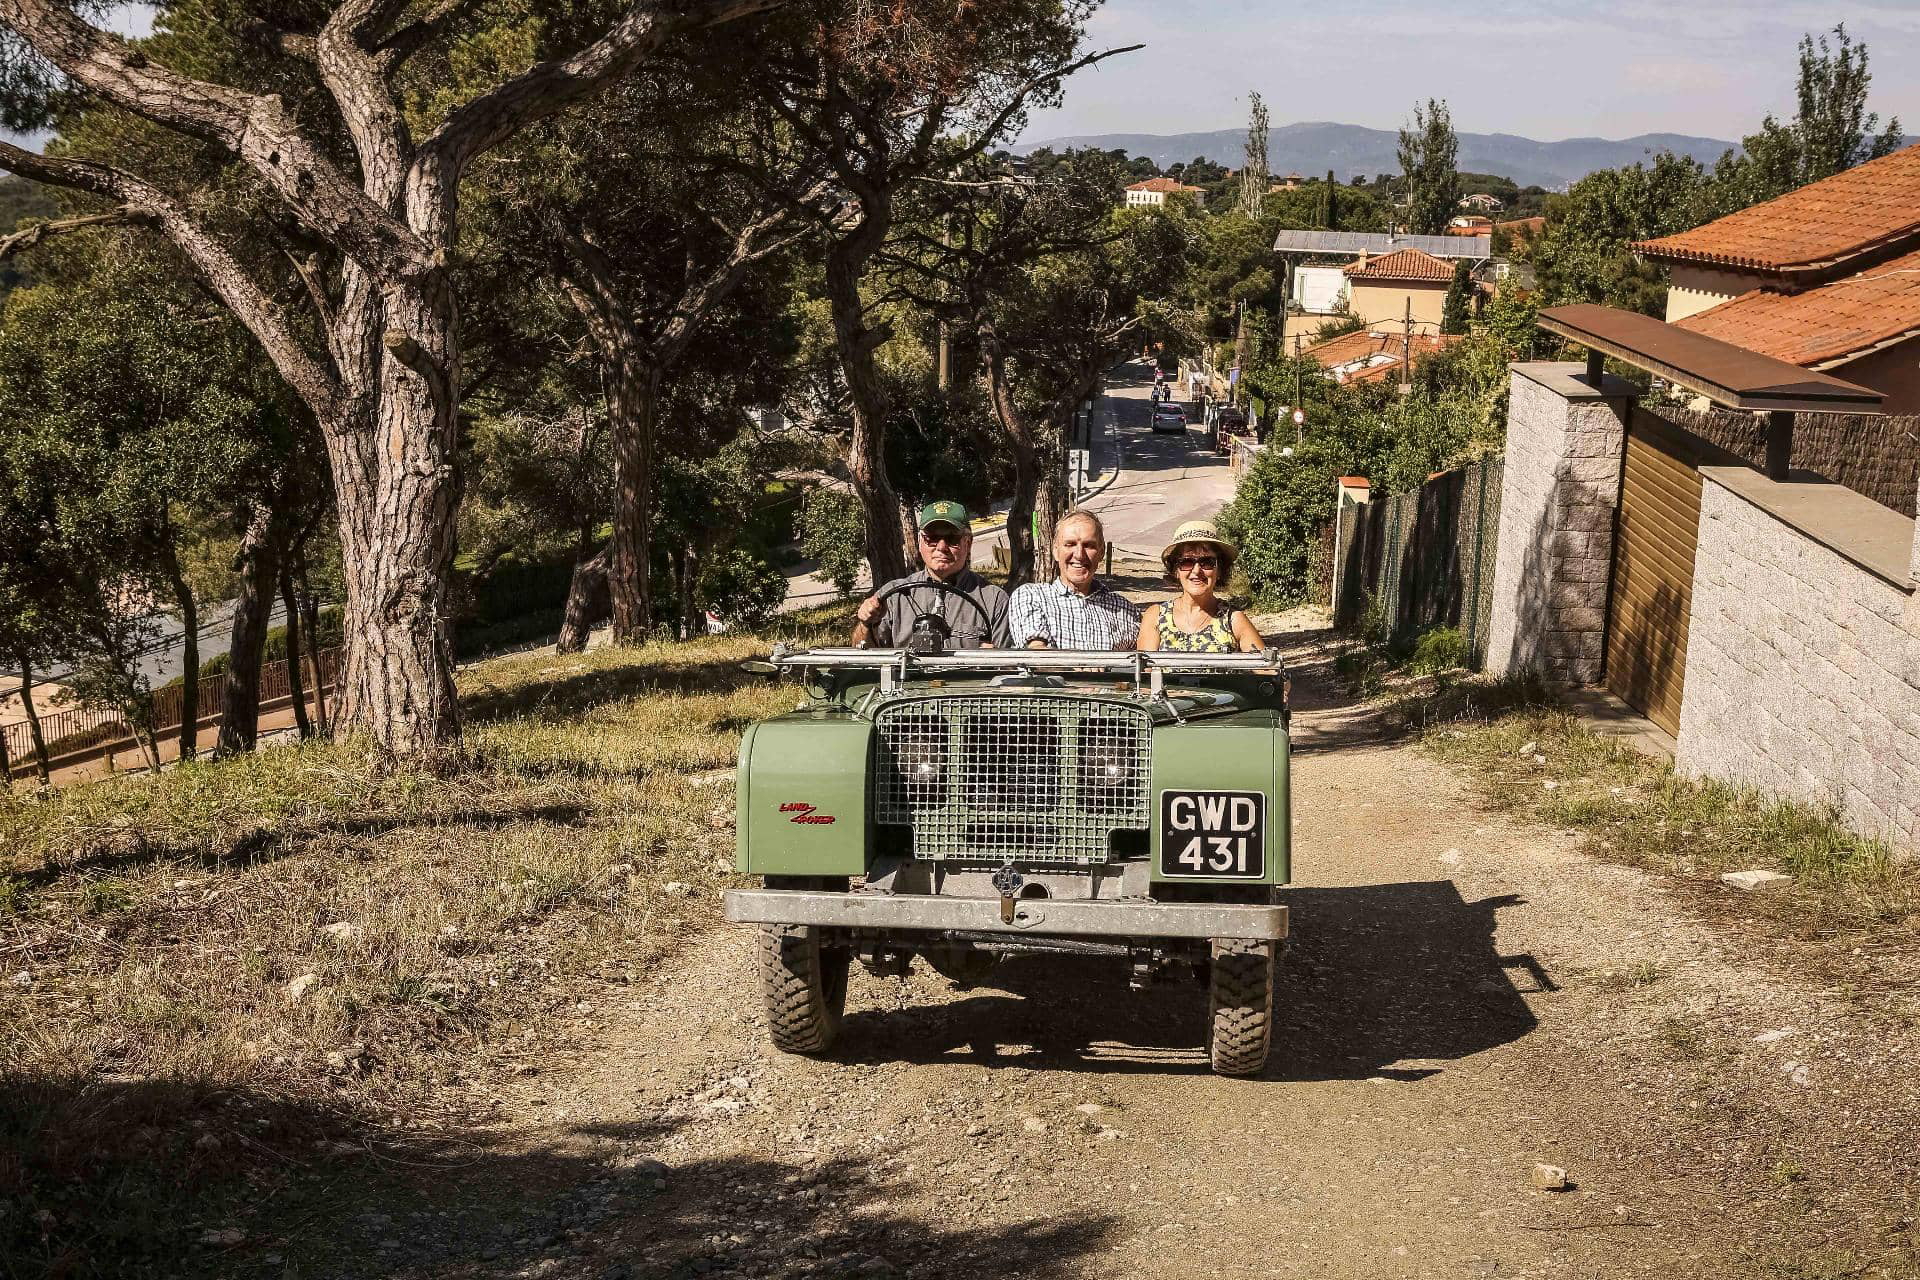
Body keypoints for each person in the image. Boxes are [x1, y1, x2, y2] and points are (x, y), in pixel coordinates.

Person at [853, 500, 1011, 650]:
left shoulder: (993, 600)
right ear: (920, 542)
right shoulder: (893, 596)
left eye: (952, 539)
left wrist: (996, 658)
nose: (941, 547)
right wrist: (865, 624)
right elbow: (862, 656)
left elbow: (1010, 667)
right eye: (932, 538)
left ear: (968, 543)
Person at [1008, 509, 1139, 649]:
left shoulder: (1125, 609)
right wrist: (1078, 665)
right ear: (1055, 551)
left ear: (1101, 553)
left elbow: (1141, 661)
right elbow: (1036, 652)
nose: (1079, 555)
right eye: (1070, 544)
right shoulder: (1032, 596)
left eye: (1089, 545)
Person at [1136, 519, 1267, 653]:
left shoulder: (1233, 620)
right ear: (1176, 570)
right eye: (1186, 562)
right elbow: (1144, 671)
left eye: (1207, 562)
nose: (1197, 571)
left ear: (1220, 569)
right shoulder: (1156, 616)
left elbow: (1267, 670)